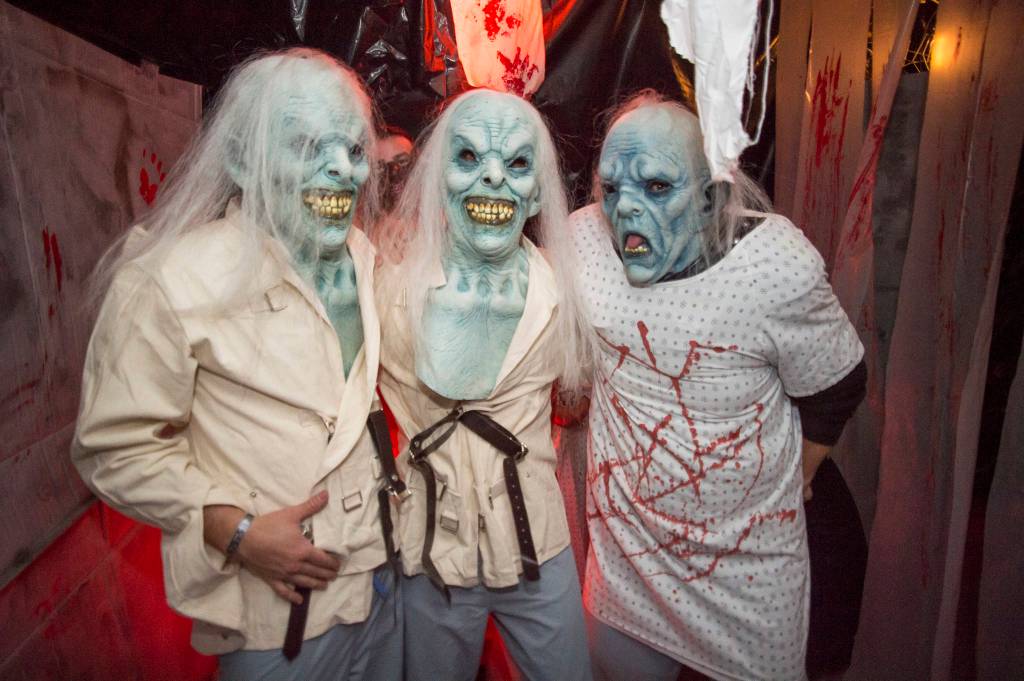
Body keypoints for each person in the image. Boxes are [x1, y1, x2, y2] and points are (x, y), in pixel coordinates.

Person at [72, 48, 403, 680]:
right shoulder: (171, 279)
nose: (343, 170)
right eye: (309, 146)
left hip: (381, 584)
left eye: (353, 149)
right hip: (280, 615)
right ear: (242, 160)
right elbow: (112, 446)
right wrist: (236, 529)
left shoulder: (364, 258)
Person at [572, 92, 866, 681]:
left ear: (712, 197)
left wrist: (800, 476)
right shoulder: (582, 240)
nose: (626, 208)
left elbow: (838, 384)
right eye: (612, 188)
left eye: (658, 187)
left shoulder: (773, 265)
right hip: (628, 569)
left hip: (745, 576)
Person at [375, 88, 593, 681]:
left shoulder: (563, 292)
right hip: (432, 557)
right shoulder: (386, 294)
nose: (493, 178)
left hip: (537, 548)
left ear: (538, 188)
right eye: (469, 157)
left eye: (517, 163)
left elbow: (579, 399)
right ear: (437, 177)